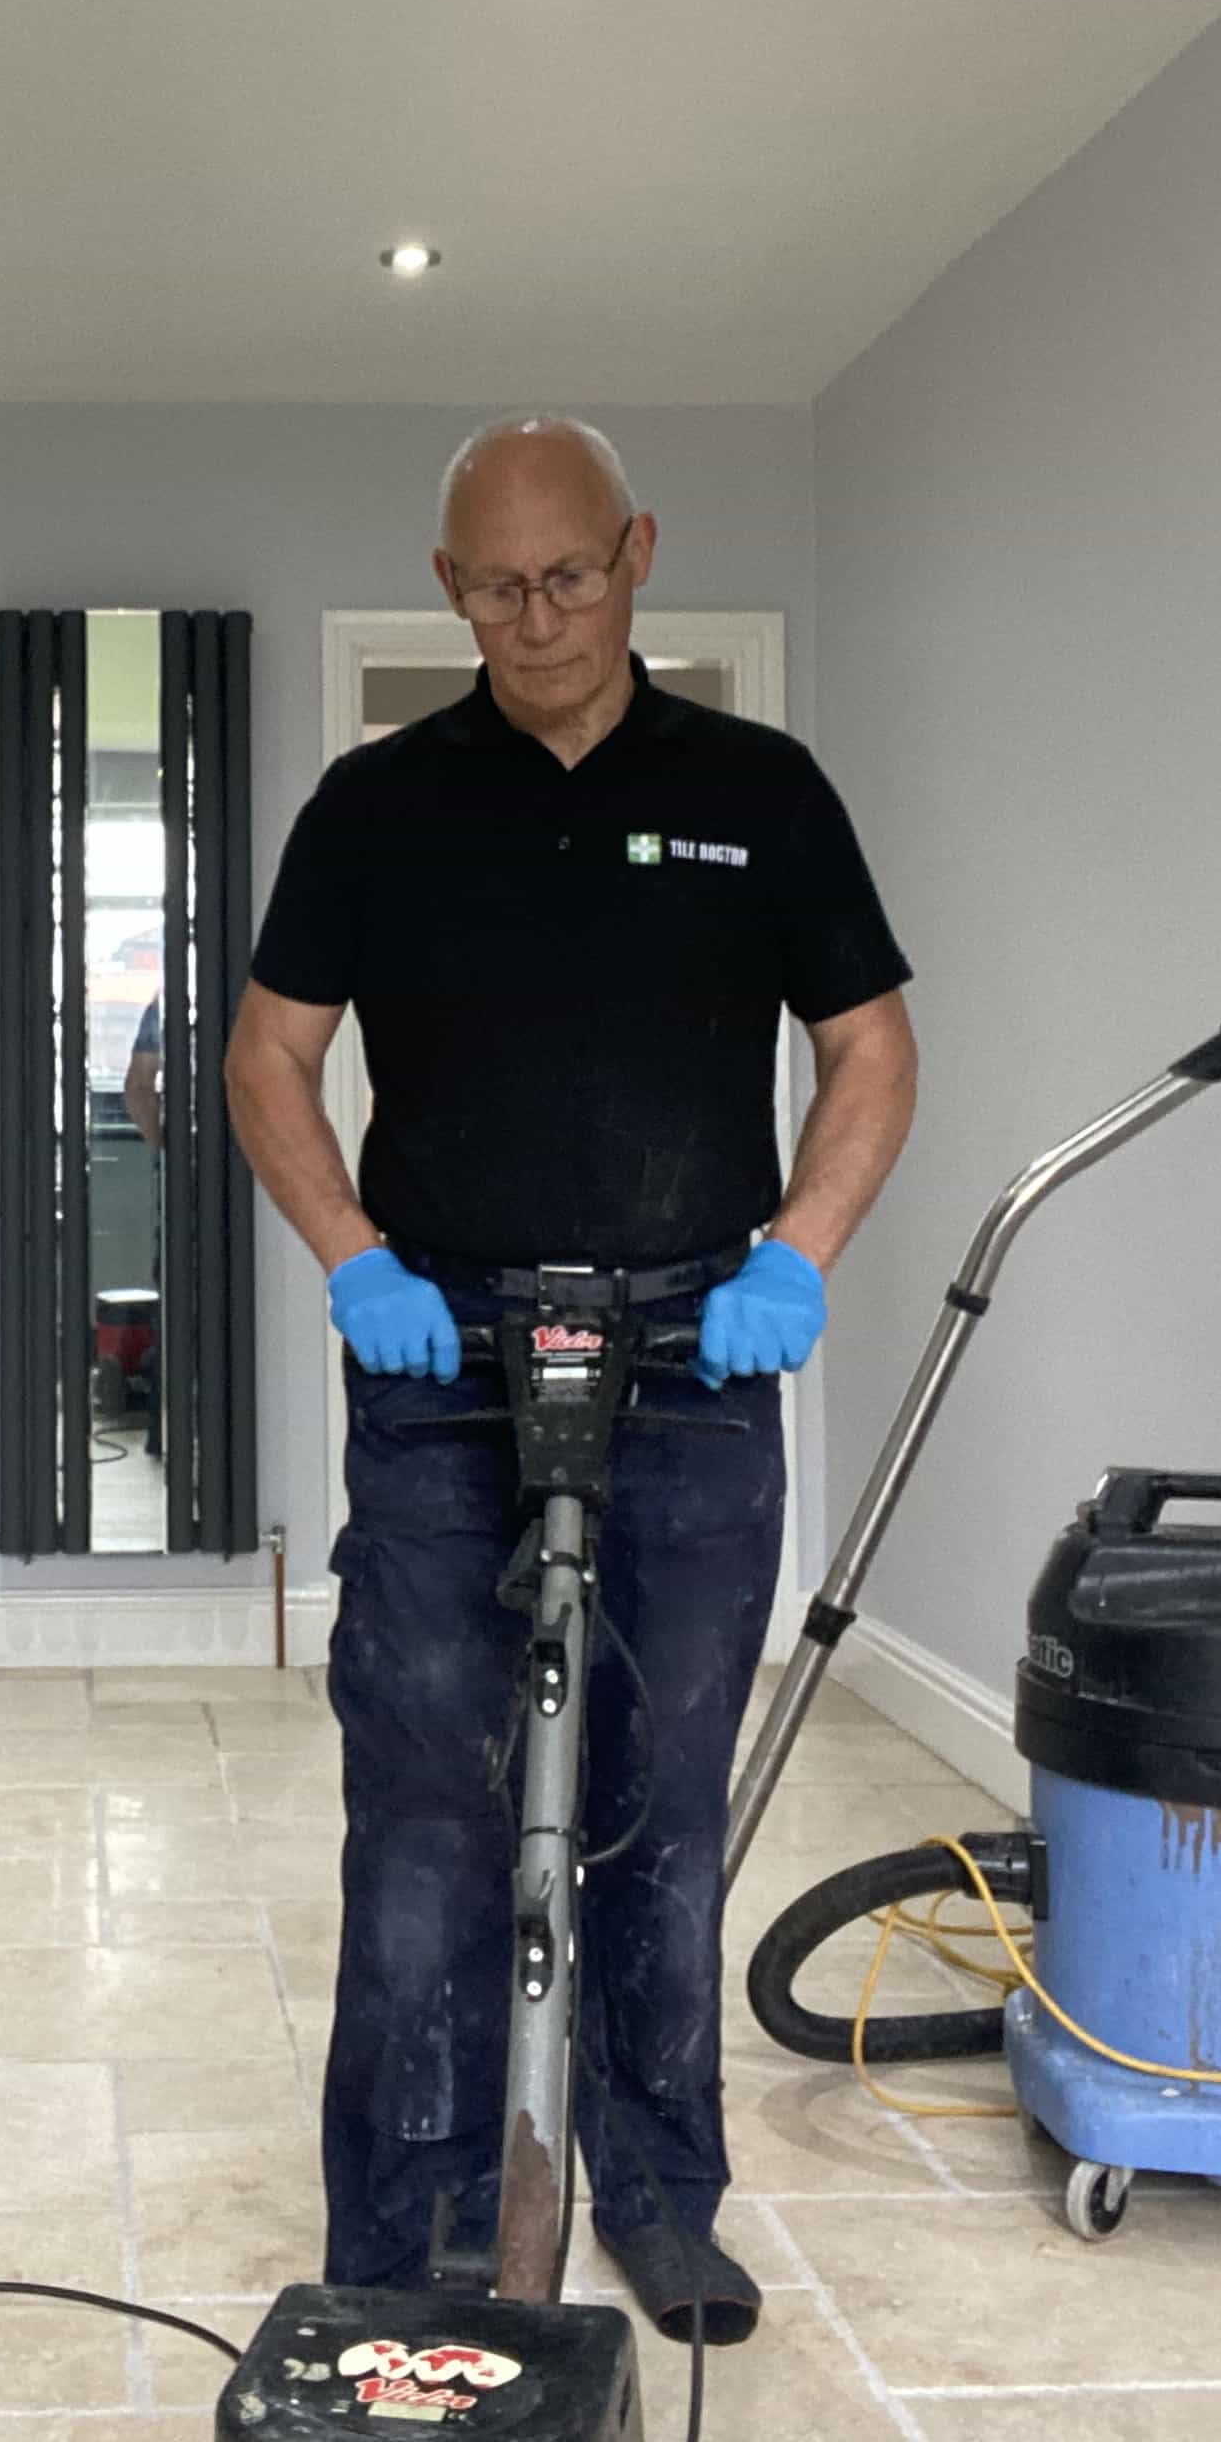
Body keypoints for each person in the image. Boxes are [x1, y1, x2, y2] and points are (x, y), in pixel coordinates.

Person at [225, 415, 916, 2343]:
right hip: (444, 1354)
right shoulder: (374, 807)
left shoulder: (760, 791)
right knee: (434, 1800)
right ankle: (410, 2227)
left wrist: (800, 1253)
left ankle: (663, 2194)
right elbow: (267, 1059)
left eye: (575, 574)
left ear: (638, 554)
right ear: (449, 588)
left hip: (700, 1343)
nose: (541, 618)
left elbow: (870, 1049)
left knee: (664, 1793)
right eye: (499, 585)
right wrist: (354, 1261)